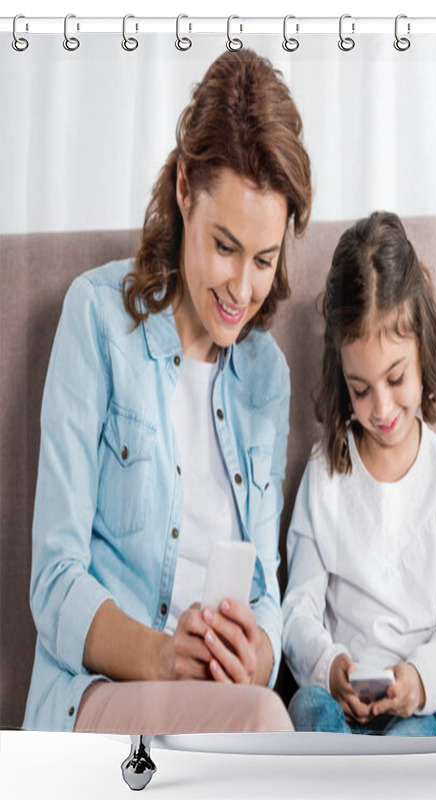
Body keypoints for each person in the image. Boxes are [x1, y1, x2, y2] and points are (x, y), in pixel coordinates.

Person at [23, 48, 312, 733]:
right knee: (264, 726)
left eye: (264, 260)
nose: (242, 289)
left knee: (259, 711)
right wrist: (161, 656)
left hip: (220, 706)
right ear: (184, 188)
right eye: (225, 246)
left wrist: (258, 652)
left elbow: (266, 589)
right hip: (94, 695)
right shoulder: (95, 320)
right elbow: (54, 579)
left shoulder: (266, 376)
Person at [282, 211, 436, 736]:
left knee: (411, 745)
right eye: (361, 388)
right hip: (336, 699)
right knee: (309, 711)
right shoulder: (325, 475)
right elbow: (299, 605)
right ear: (340, 376)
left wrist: (418, 680)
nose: (382, 408)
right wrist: (330, 667)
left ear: (423, 351)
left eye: (396, 378)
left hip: (418, 705)